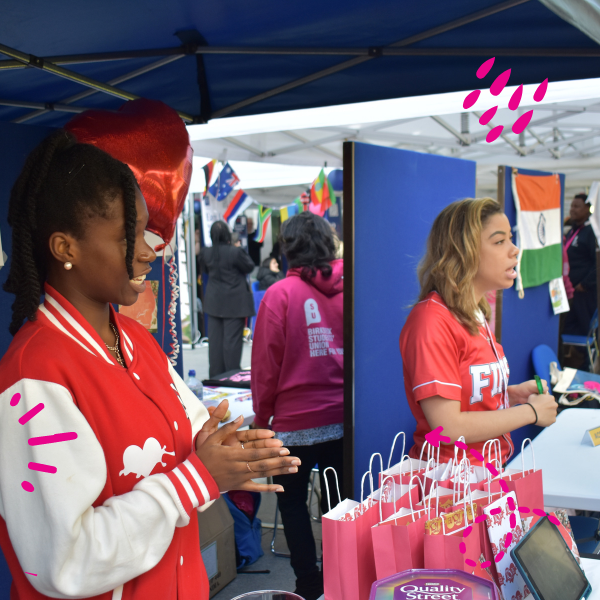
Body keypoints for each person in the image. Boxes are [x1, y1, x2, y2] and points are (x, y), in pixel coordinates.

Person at [0, 131, 301, 600]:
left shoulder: (136, 339)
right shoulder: (33, 378)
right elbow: (65, 563)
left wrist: (227, 447)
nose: (148, 249)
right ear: (65, 249)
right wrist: (200, 476)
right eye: (128, 236)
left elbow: (194, 431)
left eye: (146, 231)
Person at [400, 198, 557, 465]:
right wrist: (530, 412)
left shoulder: (475, 311)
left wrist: (509, 393)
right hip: (450, 489)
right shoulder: (432, 320)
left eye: (511, 238)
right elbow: (447, 427)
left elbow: (465, 395)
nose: (514, 250)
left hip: (485, 476)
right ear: (464, 251)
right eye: (499, 241)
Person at [251, 212, 344, 600]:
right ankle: (342, 579)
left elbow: (265, 367)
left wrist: (261, 419)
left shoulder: (279, 295)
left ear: (288, 249)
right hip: (343, 422)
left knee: (291, 507)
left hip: (292, 426)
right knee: (338, 506)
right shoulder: (350, 290)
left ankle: (308, 586)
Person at [200, 221, 255, 377]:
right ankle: (232, 377)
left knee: (215, 344)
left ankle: (216, 378)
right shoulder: (235, 252)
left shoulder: (206, 253)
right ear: (227, 235)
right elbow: (249, 267)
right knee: (232, 344)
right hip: (235, 303)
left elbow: (204, 271)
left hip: (214, 302)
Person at [563, 193, 598, 336]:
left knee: (586, 330)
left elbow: (597, 262)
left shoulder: (591, 231)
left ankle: (588, 358)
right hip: (572, 293)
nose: (572, 209)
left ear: (587, 209)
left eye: (577, 206)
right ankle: (573, 357)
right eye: (571, 206)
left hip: (585, 293)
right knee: (569, 327)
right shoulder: (573, 229)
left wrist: (585, 284)